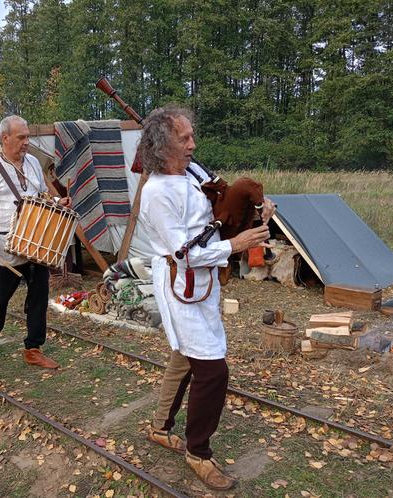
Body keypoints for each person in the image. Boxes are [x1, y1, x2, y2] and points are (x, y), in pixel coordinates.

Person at [138, 105, 274, 491]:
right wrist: (235, 245)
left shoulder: (189, 174)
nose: (193, 144)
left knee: (184, 355)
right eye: (185, 139)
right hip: (182, 283)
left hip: (204, 283)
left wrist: (255, 211)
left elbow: (219, 210)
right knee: (213, 372)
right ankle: (198, 452)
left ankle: (160, 428)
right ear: (164, 147)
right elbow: (185, 252)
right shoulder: (157, 193)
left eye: (192, 135)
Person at [0, 115, 70, 368]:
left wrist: (58, 203)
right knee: (0, 298)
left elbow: (39, 195)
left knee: (39, 297)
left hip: (36, 242)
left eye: (28, 137)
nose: (27, 142)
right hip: (5, 247)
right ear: (5, 138)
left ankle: (33, 348)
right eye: (21, 137)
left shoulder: (34, 162)